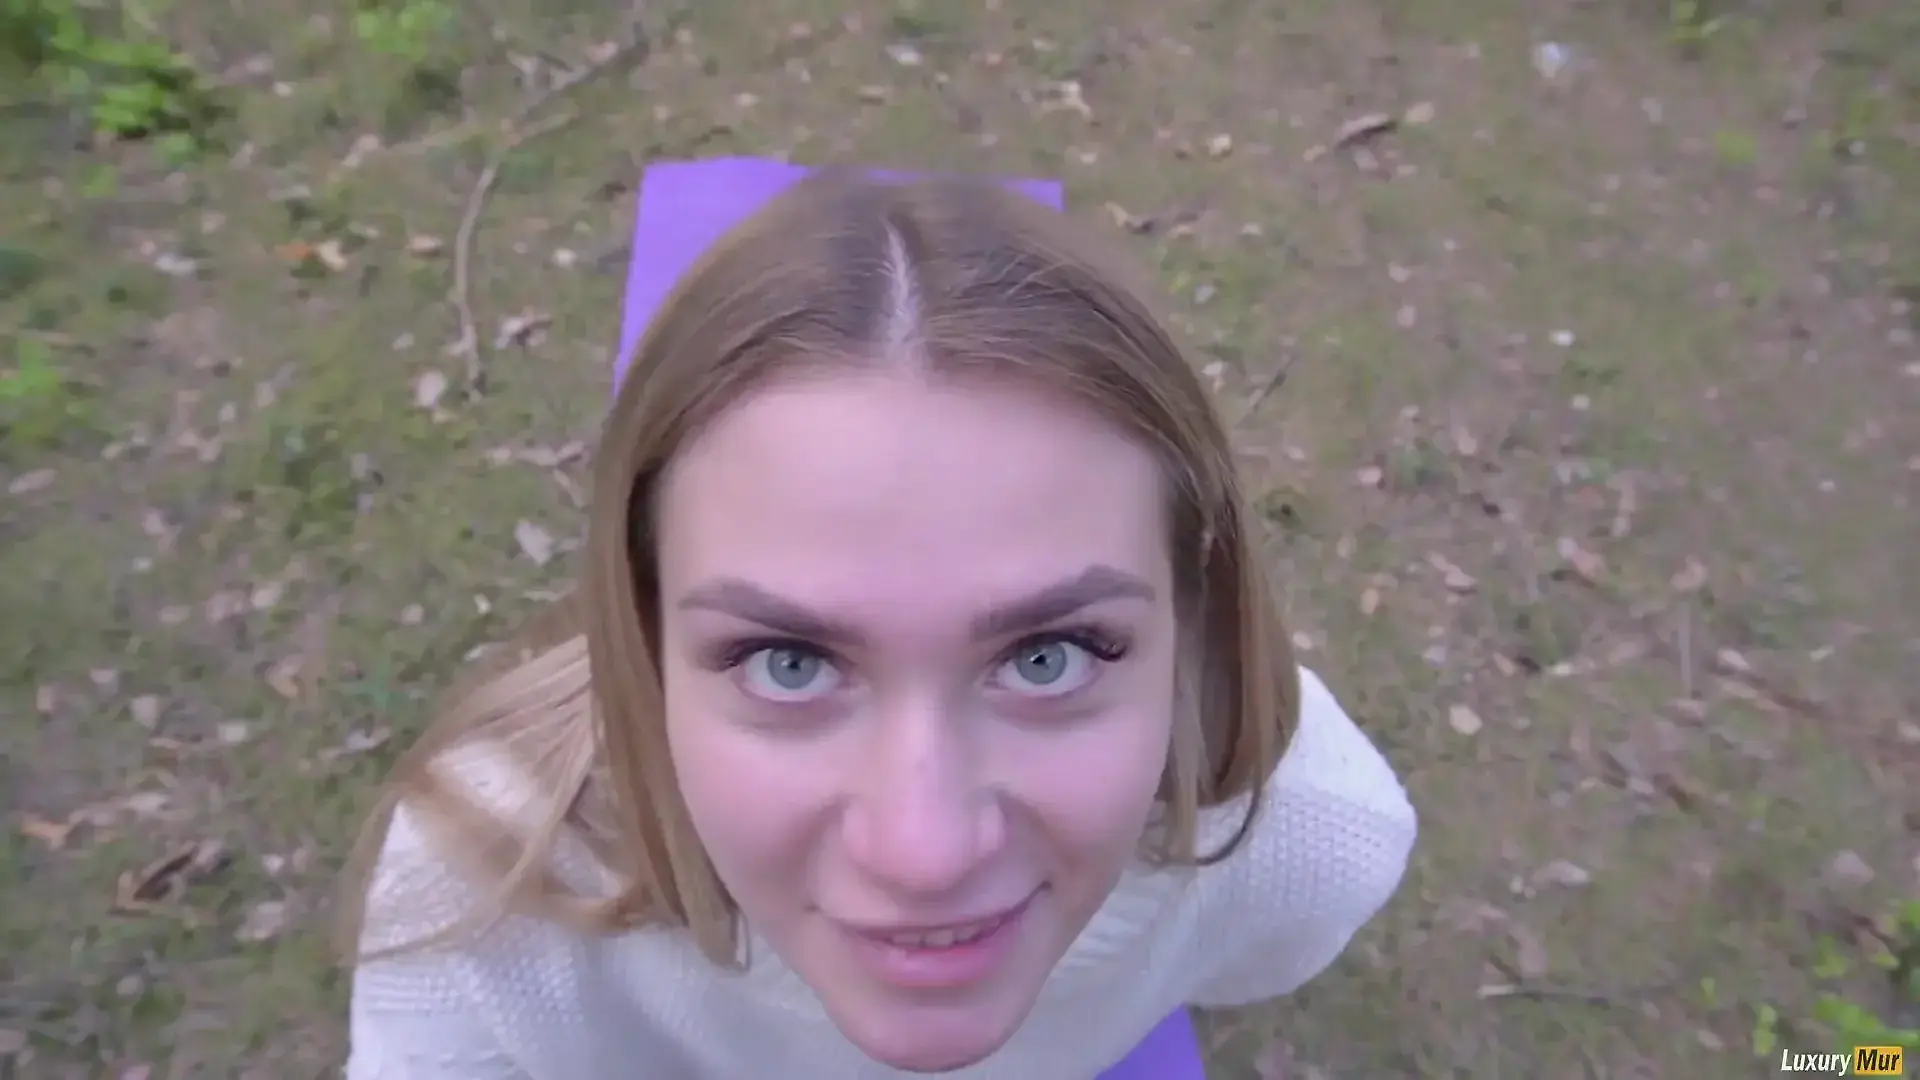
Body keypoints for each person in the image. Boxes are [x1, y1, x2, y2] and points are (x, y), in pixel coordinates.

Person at [338, 170, 1418, 1079]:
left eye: (1049, 659)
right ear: (640, 627)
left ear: (1195, 612)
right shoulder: (481, 907)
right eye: (789, 663)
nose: (925, 855)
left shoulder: (1307, 842)